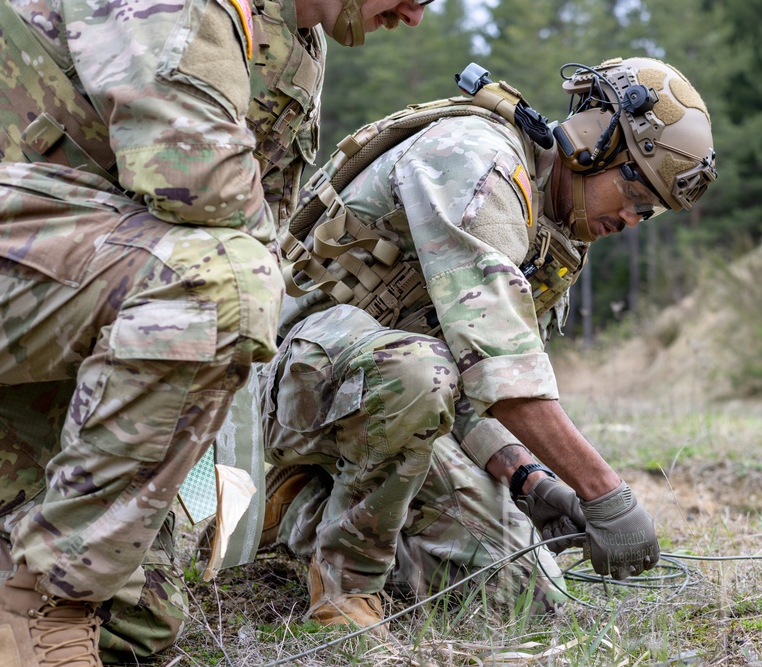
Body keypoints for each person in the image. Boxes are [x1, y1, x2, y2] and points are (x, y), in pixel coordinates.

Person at [0, 0, 428, 664]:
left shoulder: (294, 34)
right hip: (17, 280)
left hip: (45, 307)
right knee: (223, 285)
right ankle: (44, 609)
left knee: (140, 620)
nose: (416, 16)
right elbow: (195, 181)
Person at [259, 55, 718, 633]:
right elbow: (500, 373)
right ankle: (342, 585)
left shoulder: (553, 236)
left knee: (518, 589)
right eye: (633, 189)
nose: (631, 216)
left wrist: (531, 480)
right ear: (592, 142)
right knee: (415, 372)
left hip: (389, 404)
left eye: (648, 211)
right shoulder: (475, 162)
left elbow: (473, 388)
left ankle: (307, 504)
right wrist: (605, 494)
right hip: (284, 385)